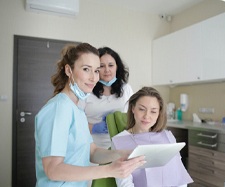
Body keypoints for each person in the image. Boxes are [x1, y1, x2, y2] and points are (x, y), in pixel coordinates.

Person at [34, 43, 145, 187]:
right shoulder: (58, 108)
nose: (94, 78)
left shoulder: (77, 109)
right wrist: (109, 170)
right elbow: (53, 170)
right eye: (86, 69)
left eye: (96, 71)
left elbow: (92, 152)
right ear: (69, 70)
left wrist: (124, 154)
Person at [112, 87, 193, 187]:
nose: (146, 116)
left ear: (159, 113)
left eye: (153, 111)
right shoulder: (120, 141)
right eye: (142, 109)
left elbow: (178, 176)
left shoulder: (167, 137)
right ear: (133, 108)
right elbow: (124, 183)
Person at [79, 46, 133, 149]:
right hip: (91, 147)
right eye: (102, 66)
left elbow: (133, 115)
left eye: (111, 65)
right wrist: (93, 127)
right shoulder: (86, 90)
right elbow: (75, 123)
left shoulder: (126, 89)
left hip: (120, 146)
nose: (107, 70)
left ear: (117, 67)